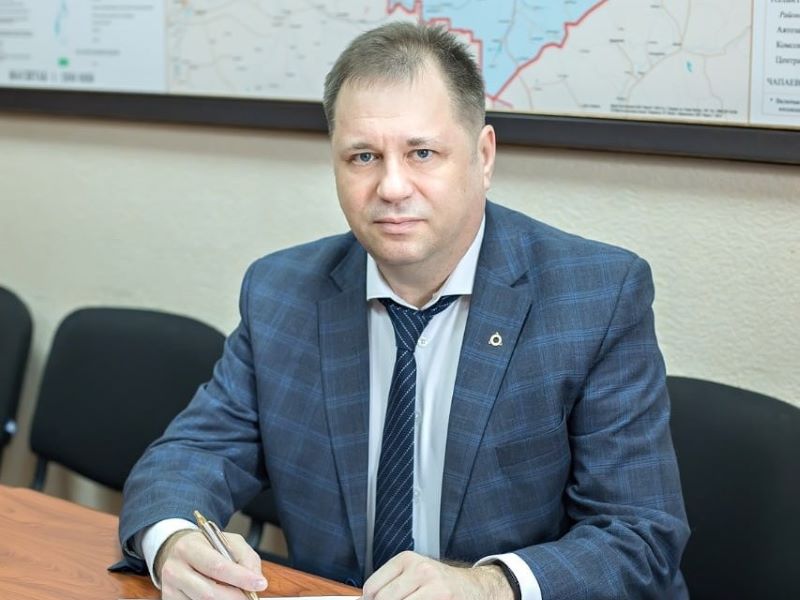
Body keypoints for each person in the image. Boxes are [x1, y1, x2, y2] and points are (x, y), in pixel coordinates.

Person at [118, 22, 689, 600]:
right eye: (363, 156)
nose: (392, 187)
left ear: (483, 157)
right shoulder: (281, 292)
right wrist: (172, 541)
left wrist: (487, 586)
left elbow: (639, 535)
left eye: (422, 153)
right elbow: (194, 453)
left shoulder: (596, 296)